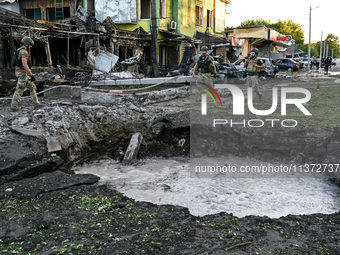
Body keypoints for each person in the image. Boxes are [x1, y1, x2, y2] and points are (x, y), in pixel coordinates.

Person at [11, 37, 44, 111]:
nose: (31, 47)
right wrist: (31, 74)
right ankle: (13, 107)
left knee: (32, 87)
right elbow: (24, 64)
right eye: (30, 45)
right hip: (22, 73)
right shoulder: (24, 52)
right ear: (27, 44)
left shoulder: (19, 50)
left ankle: (36, 103)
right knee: (19, 89)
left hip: (21, 73)